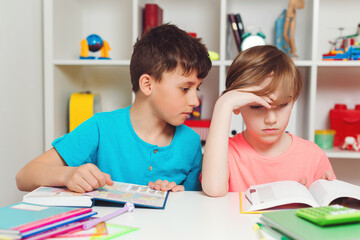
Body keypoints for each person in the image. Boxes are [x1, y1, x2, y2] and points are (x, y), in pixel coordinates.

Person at [16, 24, 212, 193]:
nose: (195, 101)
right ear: (147, 85)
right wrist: (68, 175)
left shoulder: (191, 142)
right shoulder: (101, 128)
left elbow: (193, 205)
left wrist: (178, 194)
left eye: (197, 88)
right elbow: (24, 176)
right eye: (185, 88)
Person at [201, 45, 335, 197]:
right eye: (257, 106)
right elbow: (214, 189)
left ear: (294, 99)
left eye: (282, 105)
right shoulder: (225, 153)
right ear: (237, 104)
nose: (271, 119)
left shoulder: (313, 156)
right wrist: (223, 104)